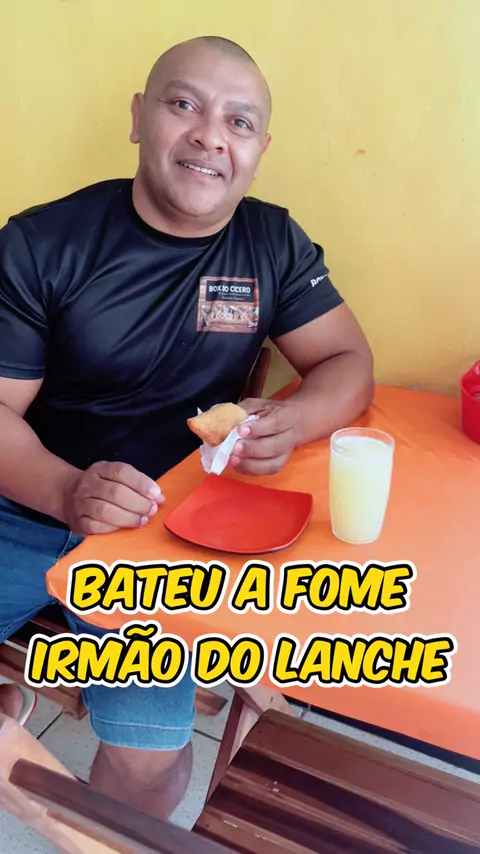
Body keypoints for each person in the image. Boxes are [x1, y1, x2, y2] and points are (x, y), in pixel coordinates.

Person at [0, 35, 374, 818]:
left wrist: (295, 418)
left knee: (150, 767)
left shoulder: (271, 242)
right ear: (140, 117)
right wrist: (66, 490)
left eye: (239, 122)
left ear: (259, 151)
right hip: (22, 506)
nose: (210, 136)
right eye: (183, 105)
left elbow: (347, 360)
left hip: (167, 539)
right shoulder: (41, 243)